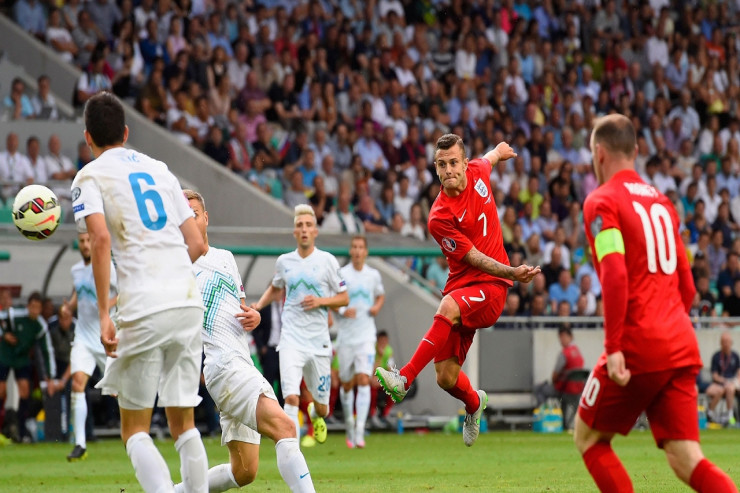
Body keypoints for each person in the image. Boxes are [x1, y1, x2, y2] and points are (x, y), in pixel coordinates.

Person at [576, 114, 737, 493]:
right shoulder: (664, 204)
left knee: (588, 439)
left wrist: (615, 347)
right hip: (681, 344)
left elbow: (614, 274)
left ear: (599, 154)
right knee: (686, 459)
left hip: (638, 343)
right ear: (635, 151)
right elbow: (689, 288)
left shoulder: (601, 201)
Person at [70, 92, 209, 493]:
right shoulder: (161, 171)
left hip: (144, 305)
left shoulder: (89, 176)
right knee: (184, 423)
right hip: (187, 301)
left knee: (134, 429)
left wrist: (103, 314)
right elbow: (198, 246)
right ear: (127, 132)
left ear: (88, 138)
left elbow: (98, 239)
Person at [376, 134, 540, 447]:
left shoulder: (479, 171)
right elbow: (473, 257)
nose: (449, 169)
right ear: (435, 170)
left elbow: (488, 158)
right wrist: (515, 271)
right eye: (442, 164)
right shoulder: (439, 217)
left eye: (454, 162)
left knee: (448, 307)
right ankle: (475, 405)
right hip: (467, 284)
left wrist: (499, 150)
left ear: (465, 164)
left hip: (492, 288)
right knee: (445, 377)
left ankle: (404, 379)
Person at [180, 190, 315, 492]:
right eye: (183, 213)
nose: (189, 217)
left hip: (239, 363)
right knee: (286, 427)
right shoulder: (179, 268)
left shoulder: (225, 258)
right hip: (225, 367)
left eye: (194, 212)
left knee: (244, 472)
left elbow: (243, 311)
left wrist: (255, 317)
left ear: (205, 218)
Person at [252, 205, 349, 446]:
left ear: (315, 231)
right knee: (291, 397)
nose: (304, 229)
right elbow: (275, 287)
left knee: (323, 407)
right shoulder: (285, 262)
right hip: (291, 341)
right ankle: (291, 452)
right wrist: (258, 306)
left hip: (318, 342)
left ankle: (316, 417)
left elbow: (344, 298)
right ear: (294, 231)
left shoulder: (327, 261)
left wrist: (321, 301)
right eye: (299, 226)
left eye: (308, 225)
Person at [60, 231, 118, 461]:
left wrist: (106, 305)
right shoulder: (76, 270)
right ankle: (80, 443)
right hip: (83, 336)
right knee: (77, 384)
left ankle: (137, 435)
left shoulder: (108, 267)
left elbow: (124, 293)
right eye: (82, 241)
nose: (85, 245)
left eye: (88, 240)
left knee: (121, 392)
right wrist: (68, 308)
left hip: (106, 337)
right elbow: (78, 295)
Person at [334, 236, 385, 449]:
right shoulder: (342, 274)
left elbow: (380, 296)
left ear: (366, 251)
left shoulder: (373, 275)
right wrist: (344, 310)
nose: (357, 251)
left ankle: (359, 430)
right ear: (350, 250)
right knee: (347, 383)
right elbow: (332, 301)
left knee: (364, 378)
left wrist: (376, 307)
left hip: (366, 336)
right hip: (346, 337)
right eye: (354, 247)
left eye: (360, 247)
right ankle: (349, 425)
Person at [0, 292, 56, 443]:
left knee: (24, 391)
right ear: (27, 306)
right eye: (32, 307)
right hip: (4, 354)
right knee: (1, 389)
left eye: (38, 308)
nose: (34, 311)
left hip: (21, 358)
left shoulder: (40, 325)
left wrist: (50, 375)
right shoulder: (15, 313)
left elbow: (47, 350)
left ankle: (21, 431)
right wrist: (3, 334)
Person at [534, 327, 585, 406]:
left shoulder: (564, 354)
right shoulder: (577, 352)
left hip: (564, 390)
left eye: (563, 336)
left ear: (571, 337)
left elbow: (554, 376)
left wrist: (553, 383)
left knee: (538, 388)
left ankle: (544, 414)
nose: (561, 339)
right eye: (560, 337)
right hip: (577, 391)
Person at [705, 332, 740, 427]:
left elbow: (738, 372)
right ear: (720, 343)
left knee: (731, 388)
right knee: (723, 389)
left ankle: (731, 416)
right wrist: (725, 381)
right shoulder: (716, 356)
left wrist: (735, 381)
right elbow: (715, 376)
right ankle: (711, 414)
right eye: (724, 342)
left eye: (727, 342)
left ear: (731, 343)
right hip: (720, 383)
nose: (726, 344)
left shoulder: (735, 356)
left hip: (733, 383)